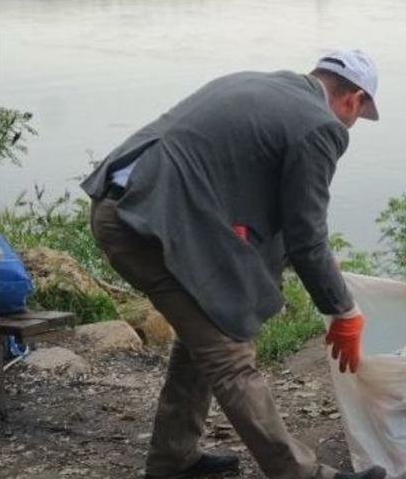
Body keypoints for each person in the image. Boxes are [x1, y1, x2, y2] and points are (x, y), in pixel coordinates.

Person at [82, 50, 387, 479]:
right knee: (230, 354)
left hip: (129, 205)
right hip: (145, 222)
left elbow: (271, 215)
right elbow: (306, 236)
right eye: (357, 116)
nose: (350, 125)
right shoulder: (321, 125)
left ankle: (173, 460)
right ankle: (301, 474)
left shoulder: (260, 84)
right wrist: (344, 311)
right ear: (354, 99)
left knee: (207, 327)